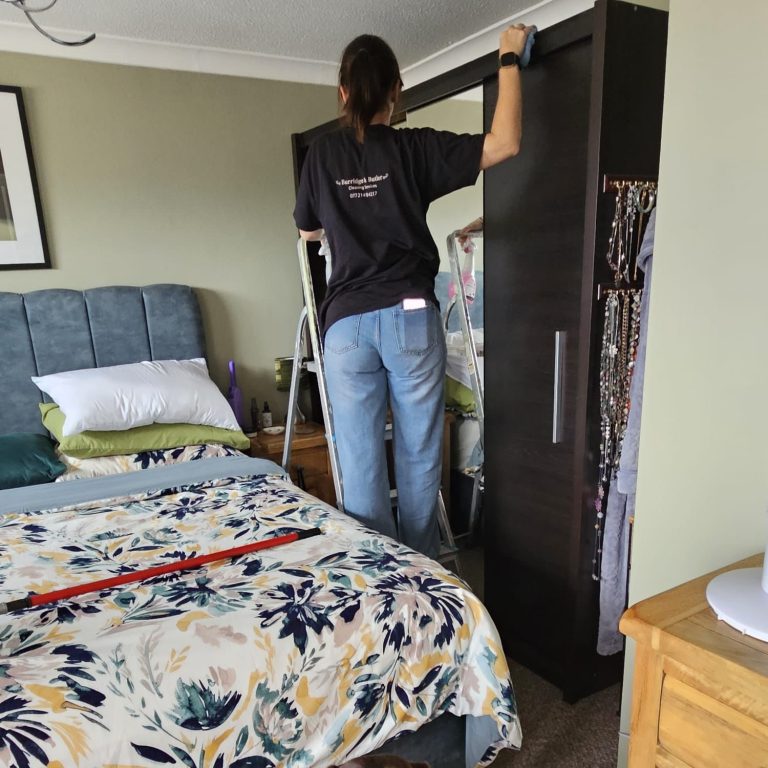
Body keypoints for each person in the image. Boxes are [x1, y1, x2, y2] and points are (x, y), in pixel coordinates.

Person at [293, 26, 530, 557]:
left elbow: (307, 231)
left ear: (343, 93)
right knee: (420, 459)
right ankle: (420, 587)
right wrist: (509, 59)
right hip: (409, 314)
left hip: (347, 325)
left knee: (359, 466)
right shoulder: (415, 147)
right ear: (396, 93)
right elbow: (506, 143)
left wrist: (343, 215)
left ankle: (378, 586)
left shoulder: (322, 156)